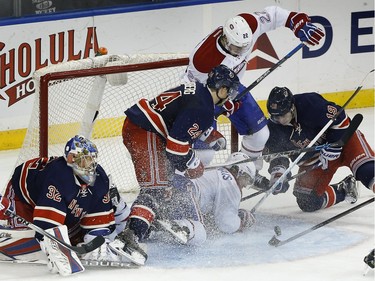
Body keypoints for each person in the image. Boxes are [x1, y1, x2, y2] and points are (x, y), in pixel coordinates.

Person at [183, 6, 325, 183]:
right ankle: (195, 187)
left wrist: (297, 22)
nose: (241, 53)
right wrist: (220, 105)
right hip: (205, 98)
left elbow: (273, 15)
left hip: (232, 88)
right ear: (225, 39)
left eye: (244, 47)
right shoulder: (202, 60)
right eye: (236, 48)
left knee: (260, 134)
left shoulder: (248, 25)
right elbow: (192, 93)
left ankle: (247, 172)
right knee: (205, 153)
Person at [116, 65, 240, 265]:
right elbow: (175, 148)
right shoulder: (203, 108)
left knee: (162, 185)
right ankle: (130, 237)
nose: (230, 97)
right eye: (230, 91)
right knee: (156, 188)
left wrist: (209, 135)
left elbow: (181, 119)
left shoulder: (199, 91)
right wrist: (194, 163)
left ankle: (143, 223)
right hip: (145, 132)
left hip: (142, 127)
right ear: (222, 89)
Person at [0, 135, 131, 275]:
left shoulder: (100, 179)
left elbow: (97, 224)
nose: (90, 165)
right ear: (71, 159)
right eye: (85, 159)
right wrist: (53, 244)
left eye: (92, 159)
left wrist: (96, 242)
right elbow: (47, 228)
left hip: (63, 203)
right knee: (19, 242)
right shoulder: (58, 177)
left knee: (73, 235)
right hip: (23, 199)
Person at [262, 86, 374, 212]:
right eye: (276, 117)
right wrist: (279, 174)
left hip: (344, 141)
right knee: (307, 201)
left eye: (283, 115)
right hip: (317, 160)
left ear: (292, 108)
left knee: (368, 172)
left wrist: (334, 146)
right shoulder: (273, 128)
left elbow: (341, 118)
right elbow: (279, 155)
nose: (280, 120)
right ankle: (345, 190)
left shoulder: (310, 104)